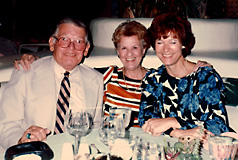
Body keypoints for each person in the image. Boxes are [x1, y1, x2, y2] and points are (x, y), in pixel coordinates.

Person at [14, 20, 210, 128]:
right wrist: (34, 59)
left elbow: (181, 88)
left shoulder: (156, 80)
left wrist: (197, 67)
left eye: (135, 47)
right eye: (123, 48)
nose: (129, 54)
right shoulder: (106, 76)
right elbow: (70, 66)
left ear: (144, 50)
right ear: (117, 51)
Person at [0, 17, 104, 149]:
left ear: (86, 49)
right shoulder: (26, 73)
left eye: (78, 41)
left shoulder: (96, 79)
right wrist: (22, 141)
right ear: (52, 43)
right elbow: (5, 124)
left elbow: (96, 126)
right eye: (64, 39)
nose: (71, 47)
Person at [138, 13, 234, 139]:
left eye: (173, 42)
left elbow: (219, 125)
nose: (166, 49)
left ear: (183, 44)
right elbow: (145, 120)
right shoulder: (152, 80)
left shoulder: (205, 77)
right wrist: (178, 133)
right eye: (160, 42)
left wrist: (173, 121)